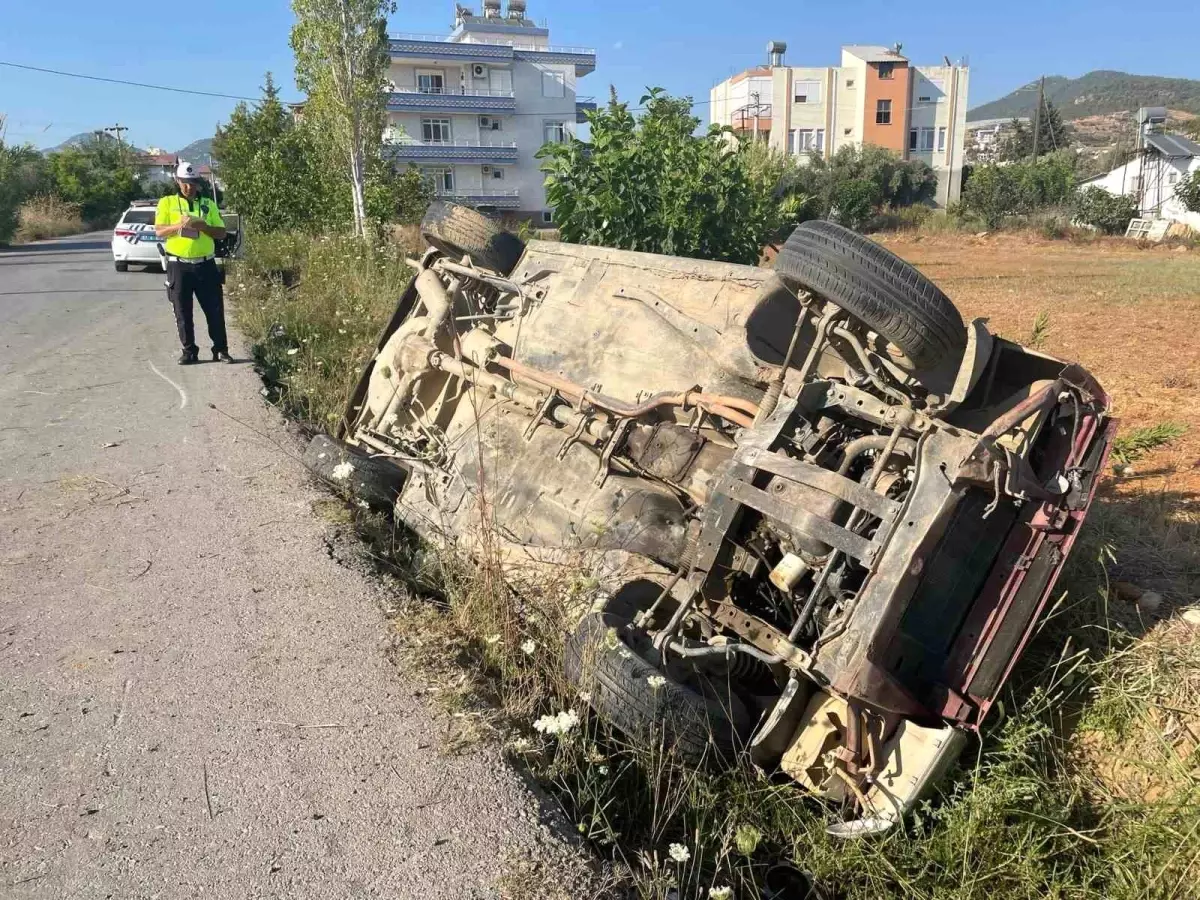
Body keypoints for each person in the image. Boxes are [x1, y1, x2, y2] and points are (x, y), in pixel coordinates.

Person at [155, 161, 232, 365]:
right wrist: (177, 226)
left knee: (214, 310)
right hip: (179, 266)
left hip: (205, 264)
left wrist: (204, 226)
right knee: (182, 310)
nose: (190, 187)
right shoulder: (167, 203)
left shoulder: (208, 204)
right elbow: (159, 231)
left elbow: (222, 232)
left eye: (193, 183)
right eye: (185, 183)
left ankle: (221, 349)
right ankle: (189, 351)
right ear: (178, 181)